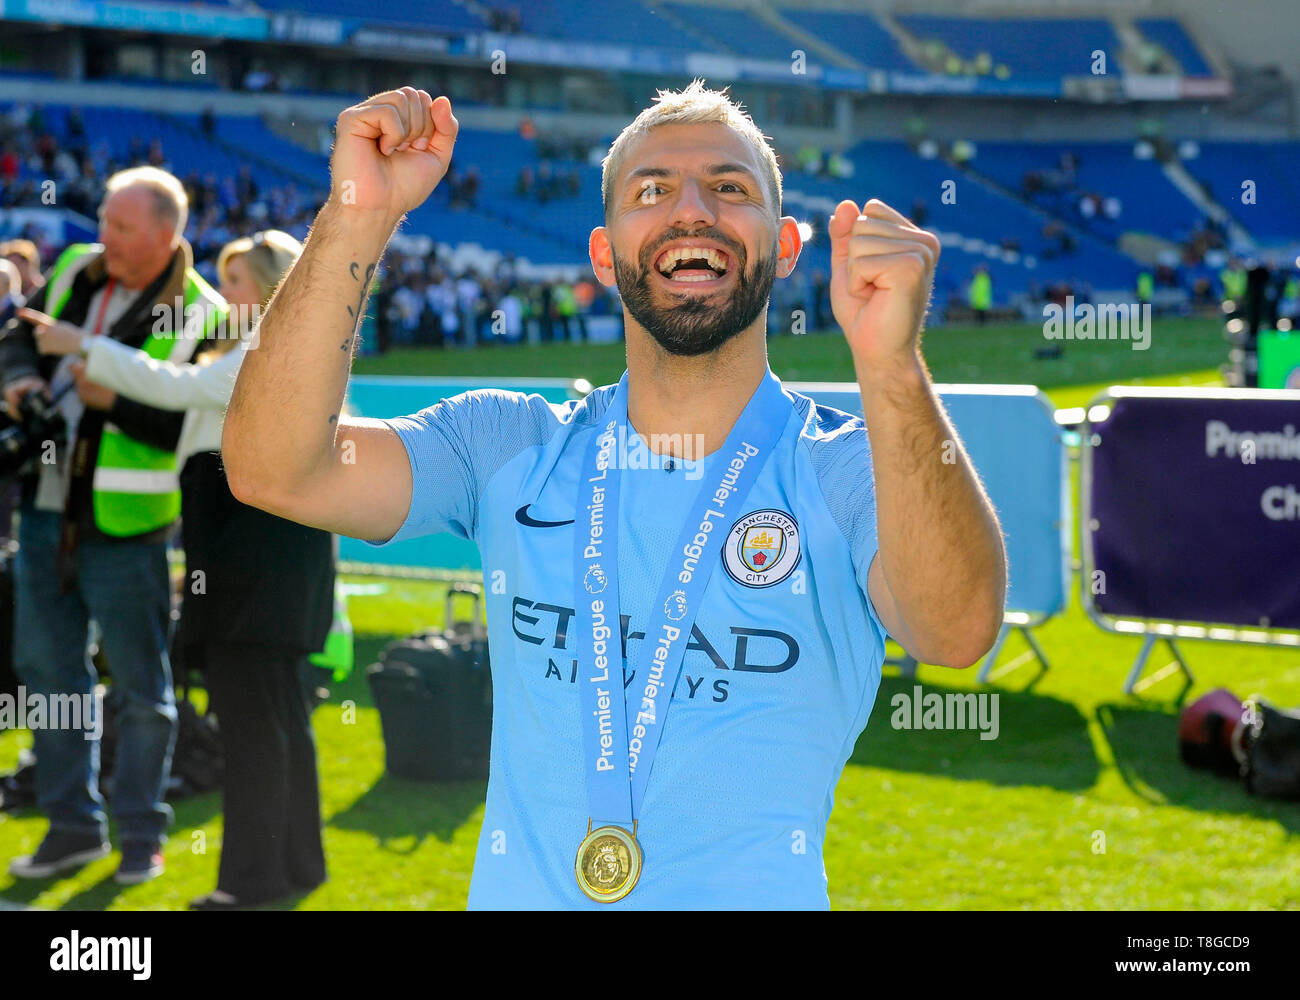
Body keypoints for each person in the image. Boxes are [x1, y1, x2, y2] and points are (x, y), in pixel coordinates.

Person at [223, 83, 1006, 910]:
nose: (692, 212)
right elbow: (274, 469)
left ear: (783, 248)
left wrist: (890, 365)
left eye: (730, 187)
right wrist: (360, 213)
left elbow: (955, 630)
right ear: (604, 255)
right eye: (652, 191)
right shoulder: (509, 444)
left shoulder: (839, 470)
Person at [34, 229, 334, 909]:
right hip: (273, 563)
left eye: (234, 282)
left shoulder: (267, 346)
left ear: (269, 288)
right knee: (280, 717)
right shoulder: (282, 348)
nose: (221, 296)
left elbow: (175, 387)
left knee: (253, 727)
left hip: (246, 566)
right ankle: (294, 866)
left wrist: (83, 344)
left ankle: (250, 883)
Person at [2, 166, 227, 885]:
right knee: (48, 673)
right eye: (104, 219)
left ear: (167, 236)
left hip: (129, 526)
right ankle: (72, 826)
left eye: (121, 227)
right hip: (45, 507)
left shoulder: (205, 312)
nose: (104, 236)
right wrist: (19, 381)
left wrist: (113, 399)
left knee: (140, 686)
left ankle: (139, 834)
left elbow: (185, 428)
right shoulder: (74, 266)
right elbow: (20, 332)